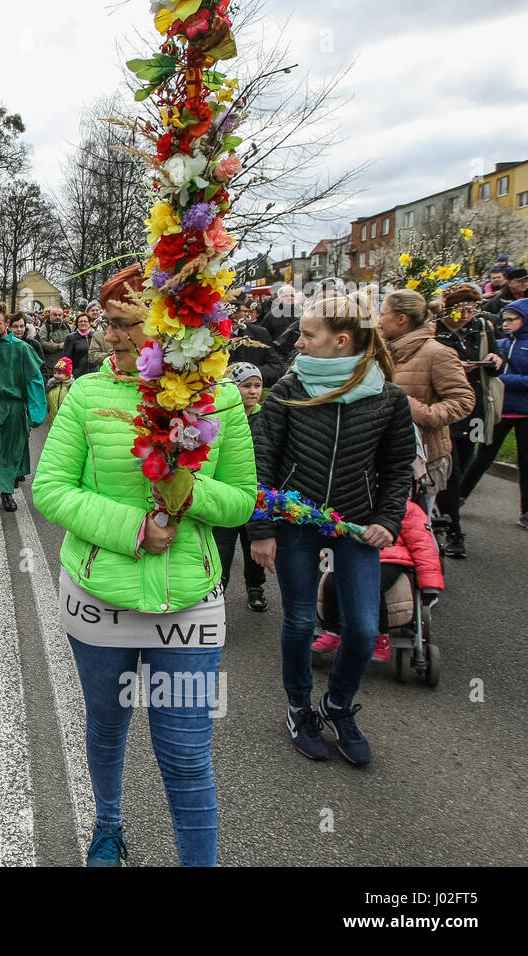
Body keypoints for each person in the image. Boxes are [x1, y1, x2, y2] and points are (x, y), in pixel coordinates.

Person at [32, 265, 257, 867]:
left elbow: (241, 500)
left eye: (130, 325)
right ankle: (108, 826)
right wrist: (133, 530)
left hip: (188, 603)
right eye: (108, 324)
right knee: (107, 726)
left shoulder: (224, 398)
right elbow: (50, 490)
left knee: (186, 754)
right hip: (98, 599)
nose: (114, 338)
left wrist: (190, 496)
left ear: (169, 328)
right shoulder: (86, 394)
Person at [248, 296, 415, 766]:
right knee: (300, 620)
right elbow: (261, 462)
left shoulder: (388, 398)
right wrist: (261, 527)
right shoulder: (287, 389)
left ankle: (338, 706)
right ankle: (300, 707)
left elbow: (398, 467)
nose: (297, 342)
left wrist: (387, 520)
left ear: (341, 340)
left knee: (363, 629)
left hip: (358, 525)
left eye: (308, 335)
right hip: (295, 521)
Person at [378, 289, 475, 514]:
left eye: (383, 314)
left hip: (425, 460)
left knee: (417, 525)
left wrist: (419, 411)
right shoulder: (385, 350)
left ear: (401, 319)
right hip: (388, 457)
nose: (378, 320)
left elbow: (463, 400)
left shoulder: (437, 353)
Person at [315, 497, 444, 662]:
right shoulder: (357, 503)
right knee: (332, 583)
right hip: (355, 555)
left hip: (390, 559)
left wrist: (429, 583)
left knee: (372, 585)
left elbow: (423, 545)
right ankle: (333, 632)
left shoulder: (408, 510)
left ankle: (380, 639)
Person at [431, 284, 501, 557]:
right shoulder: (436, 330)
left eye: (473, 309)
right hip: (447, 407)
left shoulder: (482, 328)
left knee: (466, 456)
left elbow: (497, 369)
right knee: (451, 467)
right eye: (463, 309)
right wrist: (453, 366)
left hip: (475, 407)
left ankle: (448, 507)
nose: (468, 314)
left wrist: (495, 361)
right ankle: (453, 530)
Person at [459, 297, 528, 529]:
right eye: (504, 319)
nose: (505, 324)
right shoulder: (501, 343)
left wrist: (502, 378)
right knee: (483, 457)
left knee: (525, 462)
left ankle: (526, 512)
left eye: (512, 320)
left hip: (525, 412)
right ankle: (458, 497)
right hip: (500, 410)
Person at [0, 302, 46, 520]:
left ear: (7, 323)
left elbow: (34, 380)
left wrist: (36, 411)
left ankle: (6, 493)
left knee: (9, 451)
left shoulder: (22, 348)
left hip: (14, 407)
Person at [212, 363, 266, 611]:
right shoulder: (220, 415)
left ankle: (255, 587)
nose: (253, 391)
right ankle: (218, 587)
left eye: (257, 385)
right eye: (246, 386)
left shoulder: (264, 418)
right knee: (222, 547)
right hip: (226, 492)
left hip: (255, 493)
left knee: (251, 546)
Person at [40, 305, 72, 378]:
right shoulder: (45, 328)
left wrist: (52, 344)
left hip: (65, 367)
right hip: (50, 368)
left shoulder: (68, 327)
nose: (57, 317)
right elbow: (41, 343)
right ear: (50, 316)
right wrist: (58, 346)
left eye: (59, 315)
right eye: (55, 315)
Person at [45, 356, 74, 423]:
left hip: (67, 423)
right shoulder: (51, 386)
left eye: (59, 373)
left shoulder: (72, 388)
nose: (55, 375)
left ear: (68, 374)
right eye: (54, 373)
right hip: (54, 422)